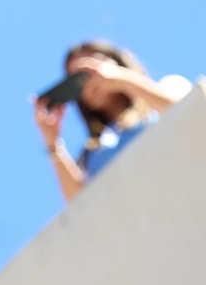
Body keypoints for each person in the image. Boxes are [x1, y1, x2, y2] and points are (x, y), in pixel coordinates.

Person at [31, 39, 192, 203]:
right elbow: (81, 205)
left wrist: (123, 80)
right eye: (77, 78)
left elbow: (191, 112)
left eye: (94, 63)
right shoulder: (91, 156)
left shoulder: (167, 89)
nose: (89, 78)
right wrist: (53, 143)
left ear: (117, 61)